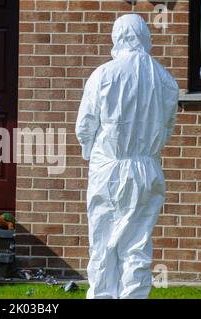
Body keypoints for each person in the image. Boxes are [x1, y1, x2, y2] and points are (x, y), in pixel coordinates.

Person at [75, 14, 179, 299]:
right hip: (148, 168)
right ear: (145, 36)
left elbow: (85, 125)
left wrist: (91, 153)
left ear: (117, 36)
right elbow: (168, 127)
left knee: (103, 240)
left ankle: (103, 295)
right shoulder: (166, 80)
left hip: (109, 167)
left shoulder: (104, 75)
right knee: (137, 244)